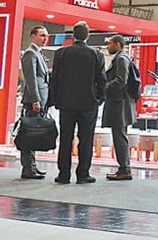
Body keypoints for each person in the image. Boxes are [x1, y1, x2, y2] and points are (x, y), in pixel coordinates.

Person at [51, 21, 106, 184]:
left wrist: (55, 99)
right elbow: (101, 80)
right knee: (86, 139)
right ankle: (83, 174)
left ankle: (63, 175)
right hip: (88, 103)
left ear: (73, 35)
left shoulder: (61, 53)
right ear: (88, 36)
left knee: (65, 138)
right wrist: (100, 98)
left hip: (66, 103)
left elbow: (54, 79)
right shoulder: (97, 55)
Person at [102, 35, 135, 181]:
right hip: (121, 102)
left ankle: (124, 169)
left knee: (119, 136)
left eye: (110, 44)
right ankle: (124, 168)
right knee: (120, 136)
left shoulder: (121, 59)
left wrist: (103, 87)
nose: (108, 46)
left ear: (117, 44)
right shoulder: (122, 58)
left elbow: (121, 81)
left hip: (119, 103)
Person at [20, 25, 49, 179]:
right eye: (42, 35)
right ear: (33, 36)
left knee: (34, 135)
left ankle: (32, 166)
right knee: (29, 135)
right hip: (33, 101)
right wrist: (35, 100)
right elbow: (30, 80)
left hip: (40, 101)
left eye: (46, 36)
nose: (45, 38)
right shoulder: (30, 53)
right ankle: (27, 168)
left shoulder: (38, 53)